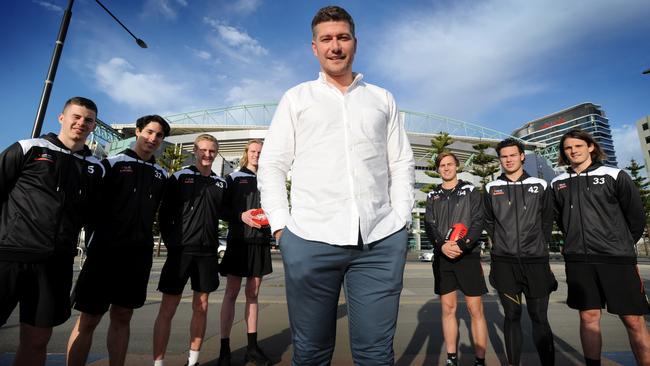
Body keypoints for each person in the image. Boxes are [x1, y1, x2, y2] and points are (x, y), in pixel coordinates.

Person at [257, 6, 415, 365]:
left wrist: (401, 218)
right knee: (310, 353)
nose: (335, 46)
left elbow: (401, 162)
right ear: (314, 47)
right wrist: (282, 226)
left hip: (379, 239)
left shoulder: (382, 98)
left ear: (355, 43)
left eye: (342, 37)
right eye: (326, 39)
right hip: (310, 239)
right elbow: (272, 164)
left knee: (376, 354)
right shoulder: (296, 98)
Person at [0, 97, 103, 366]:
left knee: (36, 341)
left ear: (93, 126)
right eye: (76, 116)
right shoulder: (28, 148)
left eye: (88, 120)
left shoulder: (95, 168)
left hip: (55, 264)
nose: (81, 123)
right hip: (10, 256)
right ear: (61, 117)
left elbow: (94, 217)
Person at [67, 115, 170, 366]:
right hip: (104, 253)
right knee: (89, 318)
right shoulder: (109, 164)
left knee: (123, 316)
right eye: (148, 132)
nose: (153, 139)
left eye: (159, 135)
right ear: (137, 132)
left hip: (138, 257)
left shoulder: (162, 175)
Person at [551, 129, 650, 366]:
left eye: (578, 146)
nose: (573, 151)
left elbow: (636, 218)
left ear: (590, 147)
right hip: (579, 261)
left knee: (634, 320)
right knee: (588, 317)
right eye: (568, 148)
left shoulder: (614, 175)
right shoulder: (557, 183)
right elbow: (560, 220)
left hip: (616, 260)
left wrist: (620, 245)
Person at [152, 134, 227, 366]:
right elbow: (164, 214)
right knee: (168, 307)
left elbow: (227, 214)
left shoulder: (221, 183)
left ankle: (193, 361)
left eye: (212, 151)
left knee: (202, 306)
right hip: (181, 252)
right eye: (203, 150)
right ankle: (159, 362)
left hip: (207, 253)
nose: (207, 155)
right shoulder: (179, 177)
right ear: (195, 150)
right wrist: (173, 242)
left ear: (216, 153)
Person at [484, 138, 556, 366]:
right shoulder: (490, 188)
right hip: (504, 263)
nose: (508, 160)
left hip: (536, 262)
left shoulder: (540, 185)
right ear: (500, 160)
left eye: (513, 155)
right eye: (504, 156)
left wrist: (539, 245)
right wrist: (500, 243)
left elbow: (547, 220)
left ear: (522, 156)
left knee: (539, 317)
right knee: (512, 316)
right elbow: (488, 221)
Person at [423, 152, 487, 366]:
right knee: (448, 309)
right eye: (442, 165)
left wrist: (461, 245)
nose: (446, 168)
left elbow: (478, 221)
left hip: (467, 256)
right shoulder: (432, 195)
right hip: (443, 257)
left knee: (474, 309)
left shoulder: (470, 190)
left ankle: (480, 359)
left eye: (450, 164)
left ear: (457, 166)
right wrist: (442, 246)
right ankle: (451, 358)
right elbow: (430, 226)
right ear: (438, 169)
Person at [218, 139, 272, 366]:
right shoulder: (233, 178)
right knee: (231, 293)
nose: (256, 155)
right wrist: (241, 216)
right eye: (253, 151)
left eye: (260, 152)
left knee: (253, 293)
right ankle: (224, 349)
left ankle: (252, 347)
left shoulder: (269, 180)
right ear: (246, 153)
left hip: (260, 242)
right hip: (238, 241)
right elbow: (220, 208)